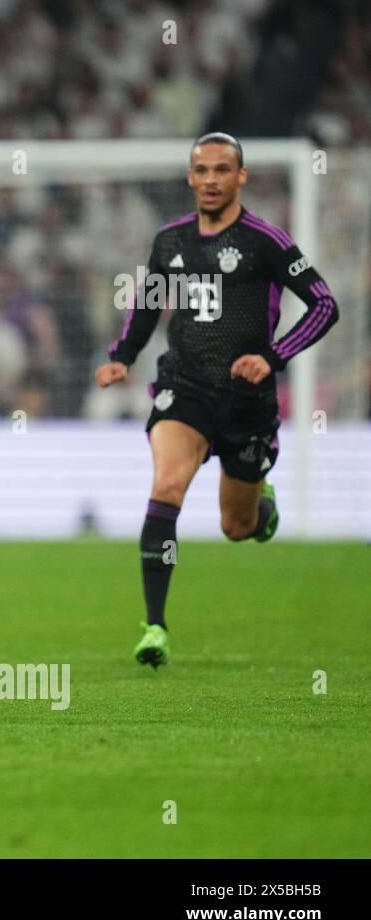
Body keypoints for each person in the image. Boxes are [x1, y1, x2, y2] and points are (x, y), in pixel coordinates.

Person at [95, 133, 338, 668]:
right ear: (190, 177)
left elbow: (324, 305)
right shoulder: (169, 241)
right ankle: (154, 625)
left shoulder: (265, 241)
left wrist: (274, 357)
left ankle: (260, 502)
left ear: (241, 177)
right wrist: (125, 356)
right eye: (201, 170)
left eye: (221, 170)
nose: (210, 179)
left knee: (237, 527)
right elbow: (148, 302)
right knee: (167, 486)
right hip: (184, 387)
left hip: (248, 401)